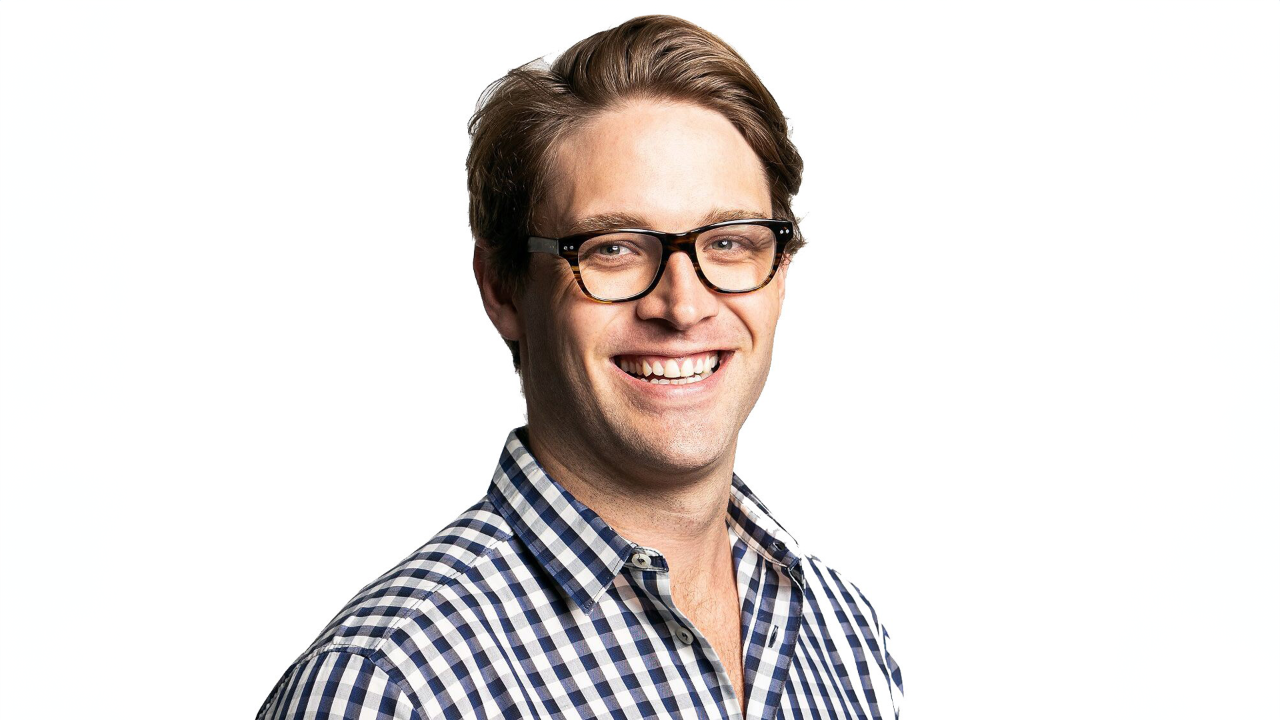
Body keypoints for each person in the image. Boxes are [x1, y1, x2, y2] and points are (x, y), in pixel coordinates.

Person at [258, 15, 902, 720]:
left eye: (728, 242)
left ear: (780, 270)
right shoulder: (393, 687)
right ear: (503, 289)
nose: (684, 306)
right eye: (613, 248)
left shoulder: (841, 631)